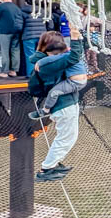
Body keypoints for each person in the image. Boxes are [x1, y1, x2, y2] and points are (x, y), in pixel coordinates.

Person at [28, 26, 85, 182]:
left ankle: (52, 164)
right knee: (66, 138)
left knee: (66, 137)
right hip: (64, 106)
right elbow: (73, 57)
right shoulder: (51, 63)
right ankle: (47, 168)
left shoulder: (45, 60)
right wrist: (74, 37)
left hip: (63, 105)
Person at [20, 0, 48, 77]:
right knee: (41, 54)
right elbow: (50, 23)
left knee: (30, 55)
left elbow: (19, 24)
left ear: (26, 2)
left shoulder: (23, 11)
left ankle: (31, 74)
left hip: (28, 35)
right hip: (42, 36)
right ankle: (41, 72)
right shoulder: (42, 11)